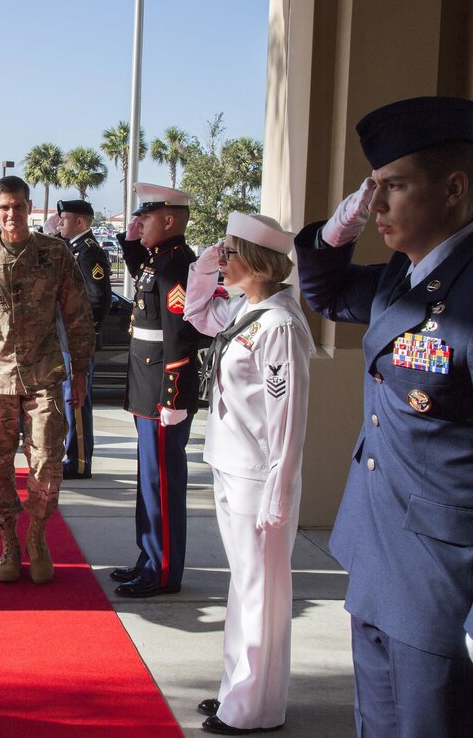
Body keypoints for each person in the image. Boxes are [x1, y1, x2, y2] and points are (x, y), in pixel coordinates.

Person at [294, 95, 473, 737]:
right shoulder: (402, 277)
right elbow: (325, 291)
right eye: (374, 190)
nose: (380, 208)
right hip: (376, 539)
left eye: (394, 188)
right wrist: (341, 223)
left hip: (437, 562)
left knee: (427, 723)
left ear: (453, 189)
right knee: (378, 719)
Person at [184, 213, 315, 736]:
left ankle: (255, 708)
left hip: (260, 476)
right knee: (244, 585)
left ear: (258, 263)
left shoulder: (279, 324)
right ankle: (236, 692)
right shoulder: (248, 309)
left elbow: (289, 418)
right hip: (232, 464)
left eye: (231, 253)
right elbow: (196, 312)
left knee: (261, 589)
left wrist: (279, 490)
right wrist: (204, 263)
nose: (224, 261)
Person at [0, 176, 95, 584]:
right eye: (3, 208)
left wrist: (80, 369)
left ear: (30, 208)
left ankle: (38, 535)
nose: (11, 215)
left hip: (44, 376)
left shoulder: (55, 253)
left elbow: (78, 314)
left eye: (18, 206)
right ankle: (8, 541)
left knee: (46, 461)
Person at [111, 183, 203, 598]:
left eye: (144, 218)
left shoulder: (176, 264)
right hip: (146, 387)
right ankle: (149, 557)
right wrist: (132, 239)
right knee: (149, 479)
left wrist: (173, 397)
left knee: (161, 482)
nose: (137, 223)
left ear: (168, 221)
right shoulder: (159, 260)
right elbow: (139, 273)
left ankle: (163, 571)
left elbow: (180, 337)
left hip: (162, 393)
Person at [55, 199, 111, 479]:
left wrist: (82, 336)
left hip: (76, 342)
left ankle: (78, 461)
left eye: (64, 219)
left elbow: (99, 300)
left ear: (80, 222)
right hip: (65, 339)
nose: (60, 223)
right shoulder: (73, 248)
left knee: (74, 400)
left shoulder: (89, 254)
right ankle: (72, 455)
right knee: (68, 399)